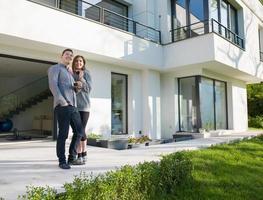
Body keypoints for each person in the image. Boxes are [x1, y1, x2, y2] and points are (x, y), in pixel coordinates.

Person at [48, 49, 84, 170]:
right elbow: (53, 85)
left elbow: (75, 91)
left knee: (79, 132)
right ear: (61, 56)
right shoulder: (55, 68)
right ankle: (62, 161)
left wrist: (78, 84)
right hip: (62, 106)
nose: (69, 56)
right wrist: (62, 101)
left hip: (73, 106)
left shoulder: (70, 72)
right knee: (63, 135)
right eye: (67, 54)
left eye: (71, 55)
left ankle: (72, 158)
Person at [72, 55, 92, 164]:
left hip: (84, 106)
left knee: (81, 130)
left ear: (83, 63)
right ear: (74, 63)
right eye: (77, 61)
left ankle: (82, 153)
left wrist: (81, 78)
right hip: (74, 106)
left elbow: (88, 89)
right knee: (78, 131)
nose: (78, 62)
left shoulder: (87, 73)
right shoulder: (71, 74)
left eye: (80, 61)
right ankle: (82, 153)